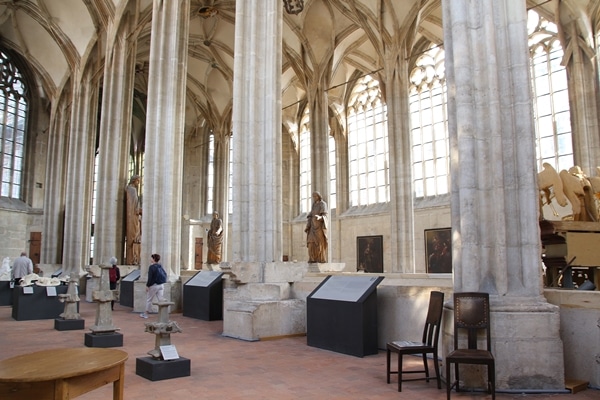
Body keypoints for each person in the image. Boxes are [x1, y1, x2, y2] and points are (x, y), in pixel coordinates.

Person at [140, 253, 166, 318]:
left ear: (154, 259)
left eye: (151, 258)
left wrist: (147, 285)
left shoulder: (151, 267)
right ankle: (163, 314)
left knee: (149, 299)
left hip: (154, 285)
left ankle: (146, 314)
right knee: (161, 299)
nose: (150, 259)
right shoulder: (160, 266)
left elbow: (150, 278)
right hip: (161, 285)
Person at [305, 191, 328, 263]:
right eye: (313, 197)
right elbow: (311, 214)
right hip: (312, 226)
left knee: (319, 243)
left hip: (319, 227)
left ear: (319, 196)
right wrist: (308, 224)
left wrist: (320, 217)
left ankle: (320, 259)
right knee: (311, 242)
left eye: (315, 196)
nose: (314, 198)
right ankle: (312, 258)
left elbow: (325, 215)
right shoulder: (314, 205)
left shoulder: (323, 204)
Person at [125, 175, 142, 265]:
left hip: (134, 215)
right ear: (134, 180)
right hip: (133, 215)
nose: (138, 183)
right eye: (138, 181)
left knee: (136, 236)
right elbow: (135, 205)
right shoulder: (132, 190)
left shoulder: (130, 189)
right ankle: (132, 258)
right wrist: (139, 210)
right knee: (134, 236)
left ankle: (135, 258)